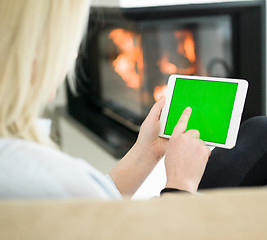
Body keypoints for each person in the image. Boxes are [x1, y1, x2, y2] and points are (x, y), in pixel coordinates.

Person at [0, 0, 210, 199]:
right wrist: (181, 184)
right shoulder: (44, 176)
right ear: (33, 55)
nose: (73, 55)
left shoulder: (19, 165)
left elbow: (94, 206)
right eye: (66, 45)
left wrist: (147, 151)